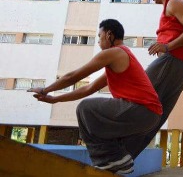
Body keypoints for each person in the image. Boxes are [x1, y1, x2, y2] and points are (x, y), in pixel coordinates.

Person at [29, 19, 162, 174]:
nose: (98, 41)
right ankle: (117, 161)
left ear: (109, 35)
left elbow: (73, 76)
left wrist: (45, 90)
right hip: (149, 116)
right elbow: (89, 88)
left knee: (85, 109)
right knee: (91, 114)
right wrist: (55, 99)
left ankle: (111, 159)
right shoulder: (119, 59)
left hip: (141, 110)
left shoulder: (114, 53)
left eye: (100, 36)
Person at [122, 0, 183, 158]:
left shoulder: (174, 2)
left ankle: (116, 146)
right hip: (179, 66)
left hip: (171, 62)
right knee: (156, 112)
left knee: (137, 95)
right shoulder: (174, 5)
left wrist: (168, 47)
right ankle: (126, 156)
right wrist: (180, 48)